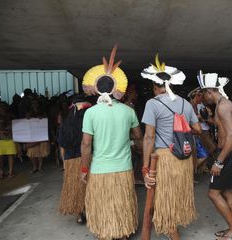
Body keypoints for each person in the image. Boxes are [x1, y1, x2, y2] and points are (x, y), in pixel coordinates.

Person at [80, 45, 142, 239]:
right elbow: (139, 137)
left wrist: (83, 169)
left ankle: (105, 232)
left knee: (103, 202)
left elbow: (86, 145)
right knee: (122, 201)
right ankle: (122, 232)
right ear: (117, 89)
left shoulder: (90, 112)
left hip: (99, 168)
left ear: (97, 89)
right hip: (123, 167)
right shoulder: (128, 111)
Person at [141, 55, 201, 240]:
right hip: (183, 157)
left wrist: (145, 166)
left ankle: (173, 233)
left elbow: (149, 136)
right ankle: (173, 228)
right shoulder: (185, 103)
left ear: (155, 86)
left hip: (164, 157)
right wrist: (181, 125)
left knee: (164, 196)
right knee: (176, 194)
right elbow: (198, 129)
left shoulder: (152, 103)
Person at [197, 70, 232, 240]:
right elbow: (224, 127)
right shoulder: (226, 104)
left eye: (204, 94)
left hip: (228, 153)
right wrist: (207, 120)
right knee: (225, 192)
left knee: (213, 193)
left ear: (210, 91)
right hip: (231, 152)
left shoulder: (223, 106)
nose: (204, 98)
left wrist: (219, 161)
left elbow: (231, 136)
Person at [58, 95, 92, 223]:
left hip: (70, 159)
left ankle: (79, 215)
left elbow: (62, 146)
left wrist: (64, 163)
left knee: (75, 187)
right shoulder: (89, 121)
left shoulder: (65, 123)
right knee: (87, 187)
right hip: (87, 158)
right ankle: (89, 210)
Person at [26, 98, 50, 173]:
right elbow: (25, 122)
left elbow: (47, 121)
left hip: (41, 134)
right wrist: (28, 118)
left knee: (40, 152)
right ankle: (34, 167)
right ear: (31, 105)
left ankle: (40, 167)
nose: (35, 105)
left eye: (36, 103)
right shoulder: (28, 113)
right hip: (32, 135)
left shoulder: (43, 112)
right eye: (33, 103)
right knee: (31, 153)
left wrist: (42, 118)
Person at [0, 102, 17, 179]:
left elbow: (17, 123)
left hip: (10, 137)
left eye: (4, 106)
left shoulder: (10, 115)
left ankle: (10, 171)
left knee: (10, 155)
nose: (3, 107)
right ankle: (1, 171)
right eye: (0, 106)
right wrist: (0, 131)